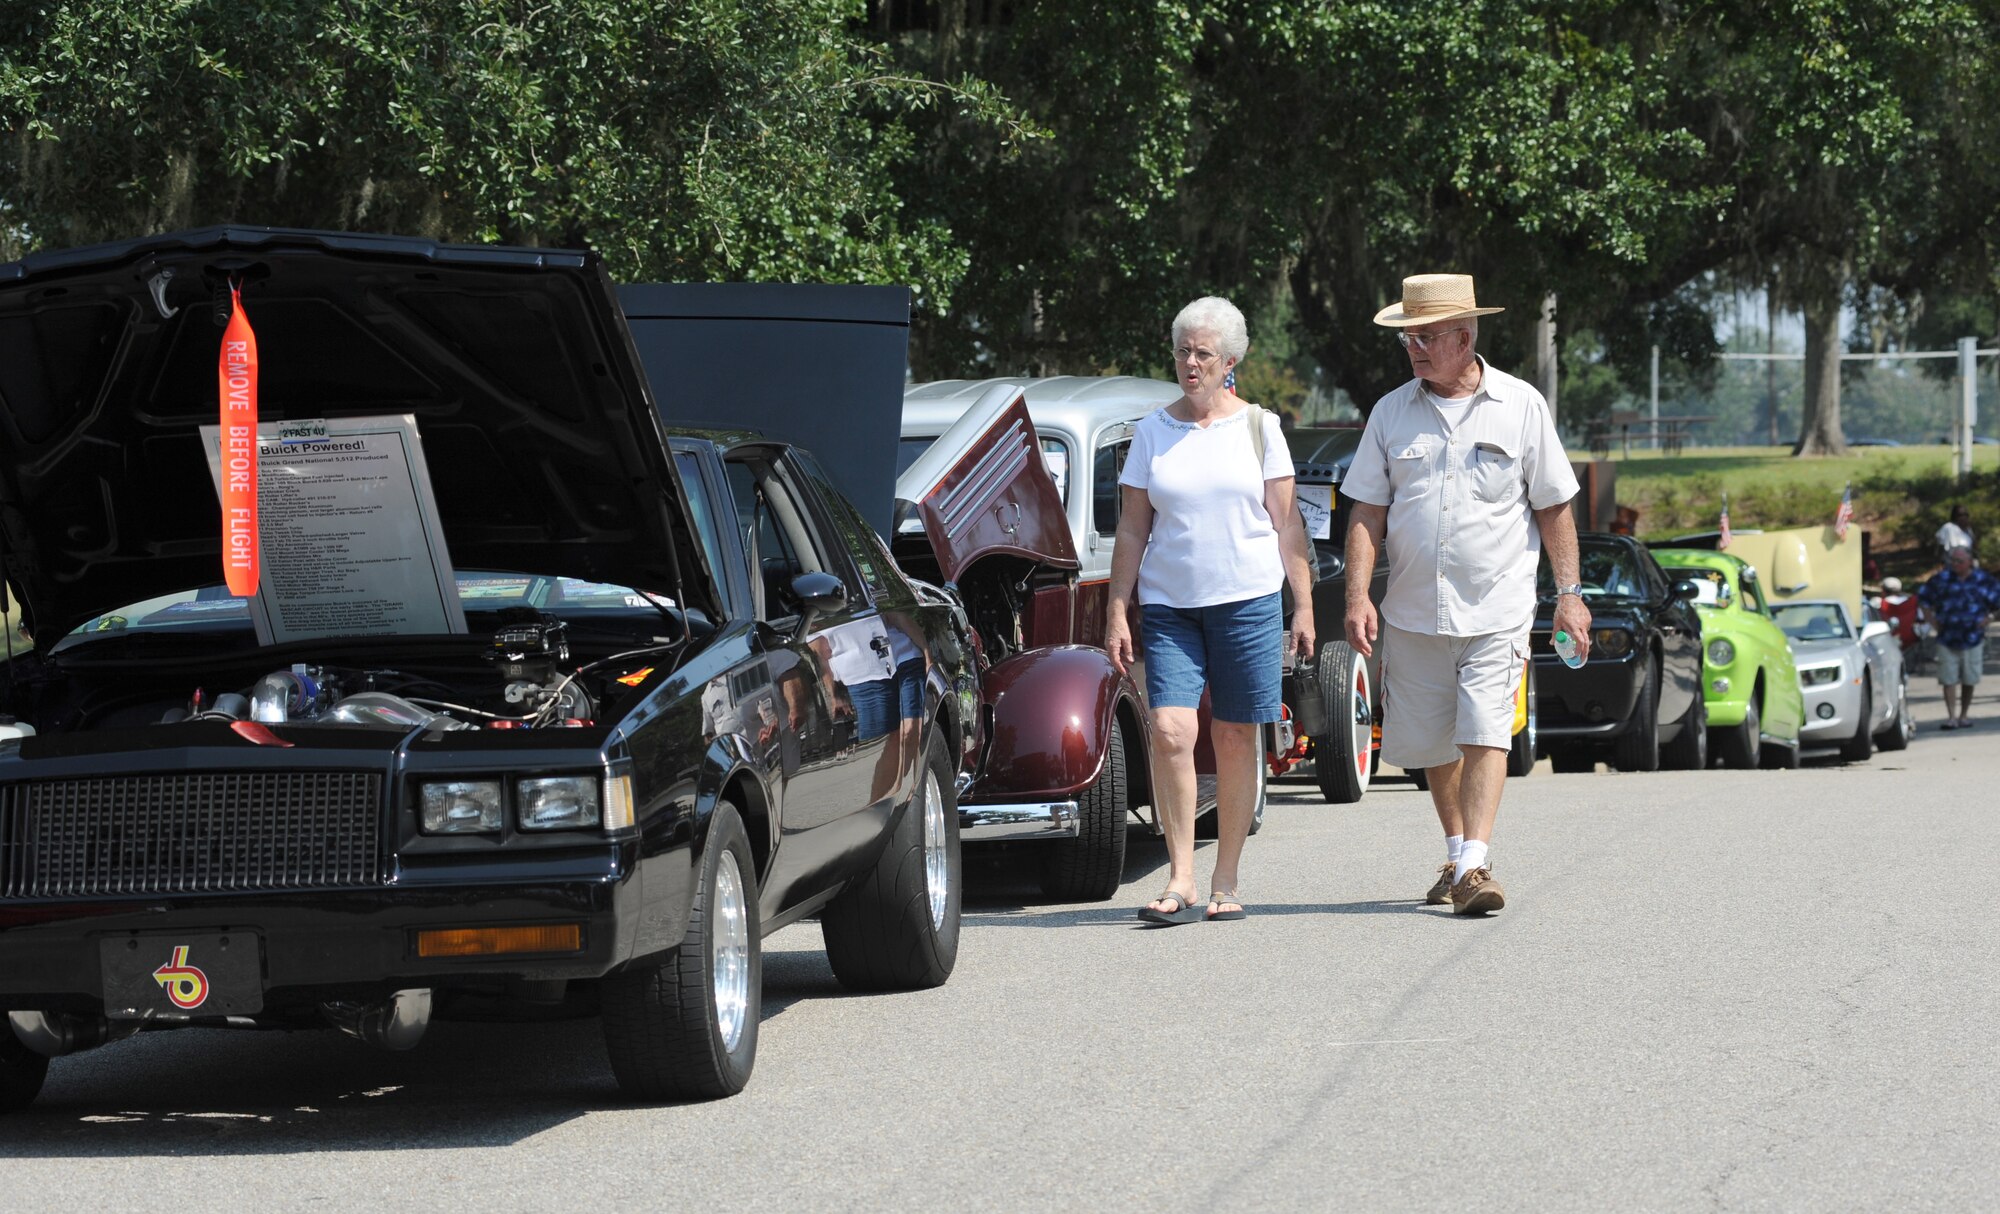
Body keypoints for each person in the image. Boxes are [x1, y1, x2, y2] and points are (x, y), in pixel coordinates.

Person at [1340, 273, 1589, 916]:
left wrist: (1570, 594)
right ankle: (1456, 853)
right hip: (1415, 611)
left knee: (1484, 731)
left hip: (1497, 607)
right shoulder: (1390, 413)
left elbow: (1554, 508)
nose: (1415, 348)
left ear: (1466, 336)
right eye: (1408, 338)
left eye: (1426, 336)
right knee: (1430, 745)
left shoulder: (1522, 405)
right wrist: (1357, 597)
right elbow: (1366, 512)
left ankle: (1476, 864)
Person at [1105, 296, 1315, 925]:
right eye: (1181, 351)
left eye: (1201, 353)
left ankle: (1225, 880)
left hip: (1248, 602)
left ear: (1229, 361)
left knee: (1233, 734)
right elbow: (1132, 530)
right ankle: (1181, 876)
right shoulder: (1152, 432)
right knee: (1171, 731)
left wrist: (1302, 607)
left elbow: (1288, 526)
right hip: (1171, 607)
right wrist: (1119, 608)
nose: (1188, 362)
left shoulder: (1259, 427)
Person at [1916, 546, 2000, 729]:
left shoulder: (1983, 579)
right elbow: (1923, 599)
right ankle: (1951, 716)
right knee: (1949, 678)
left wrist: (1990, 619)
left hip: (1973, 638)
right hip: (1947, 637)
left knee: (1969, 678)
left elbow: (1997, 602)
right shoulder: (1941, 579)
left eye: (1959, 561)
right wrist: (1931, 621)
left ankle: (1964, 715)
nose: (1955, 564)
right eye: (1953, 561)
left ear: (1969, 562)